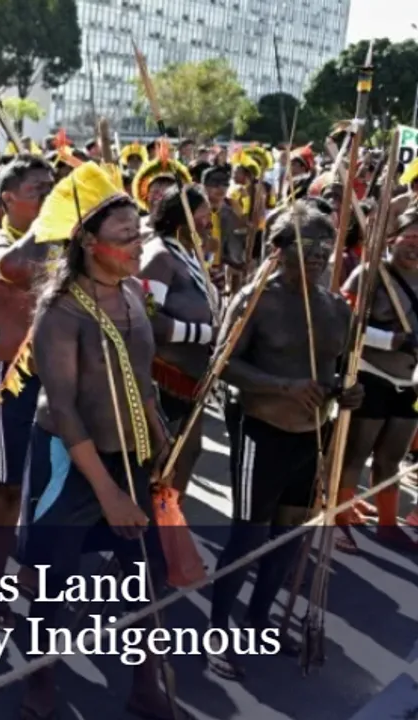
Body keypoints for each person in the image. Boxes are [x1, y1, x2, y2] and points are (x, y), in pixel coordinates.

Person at [17, 164, 178, 720]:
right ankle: (39, 679)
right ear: (87, 242)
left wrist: (160, 438)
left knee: (149, 571)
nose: (138, 246)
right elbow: (63, 410)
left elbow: (141, 377)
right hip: (73, 456)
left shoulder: (132, 293)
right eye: (124, 238)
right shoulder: (59, 312)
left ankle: (144, 680)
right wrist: (108, 494)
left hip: (131, 454)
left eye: (140, 234)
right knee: (51, 580)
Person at [206, 202, 362, 680]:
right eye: (306, 246)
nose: (317, 257)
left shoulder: (335, 306)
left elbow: (339, 370)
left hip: (310, 435)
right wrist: (282, 386)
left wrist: (348, 390)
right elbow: (222, 364)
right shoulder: (257, 299)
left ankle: (258, 617)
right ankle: (218, 631)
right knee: (248, 535)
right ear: (278, 249)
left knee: (290, 537)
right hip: (262, 429)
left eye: (324, 247)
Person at [0, 154, 55, 627]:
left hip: (65, 374)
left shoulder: (60, 239)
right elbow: (20, 271)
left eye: (52, 188)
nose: (46, 197)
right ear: (6, 199)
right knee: (11, 483)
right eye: (36, 191)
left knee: (53, 483)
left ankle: (35, 570)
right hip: (17, 375)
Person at [337, 208, 418, 553]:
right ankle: (339, 520)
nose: (415, 247)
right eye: (410, 238)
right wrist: (393, 341)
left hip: (410, 381)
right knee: (355, 454)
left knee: (392, 457)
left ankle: (388, 525)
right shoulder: (369, 275)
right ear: (392, 239)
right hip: (371, 376)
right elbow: (344, 325)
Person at [138, 185, 218, 493]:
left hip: (190, 379)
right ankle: (156, 528)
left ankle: (170, 521)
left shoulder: (187, 254)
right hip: (164, 378)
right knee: (165, 458)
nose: (209, 222)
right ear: (181, 220)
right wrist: (205, 334)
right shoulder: (159, 256)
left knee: (187, 452)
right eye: (203, 215)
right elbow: (149, 319)